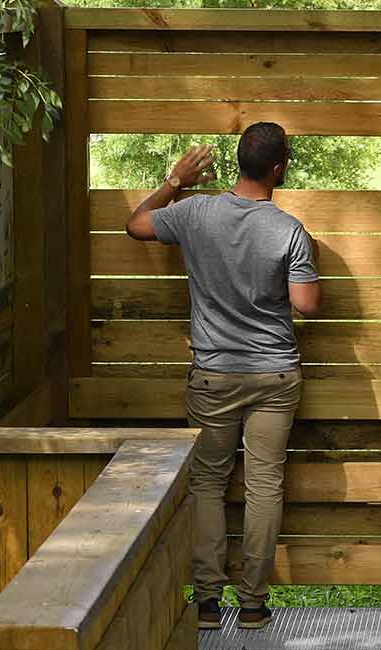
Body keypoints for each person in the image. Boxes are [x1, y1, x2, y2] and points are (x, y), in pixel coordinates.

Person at [124, 122, 320, 632]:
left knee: (208, 483)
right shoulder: (289, 230)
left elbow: (136, 225)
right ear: (280, 167)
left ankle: (207, 603)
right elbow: (306, 305)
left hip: (212, 375)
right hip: (274, 375)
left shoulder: (194, 212)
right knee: (263, 486)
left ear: (238, 161)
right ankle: (253, 605)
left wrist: (175, 181)